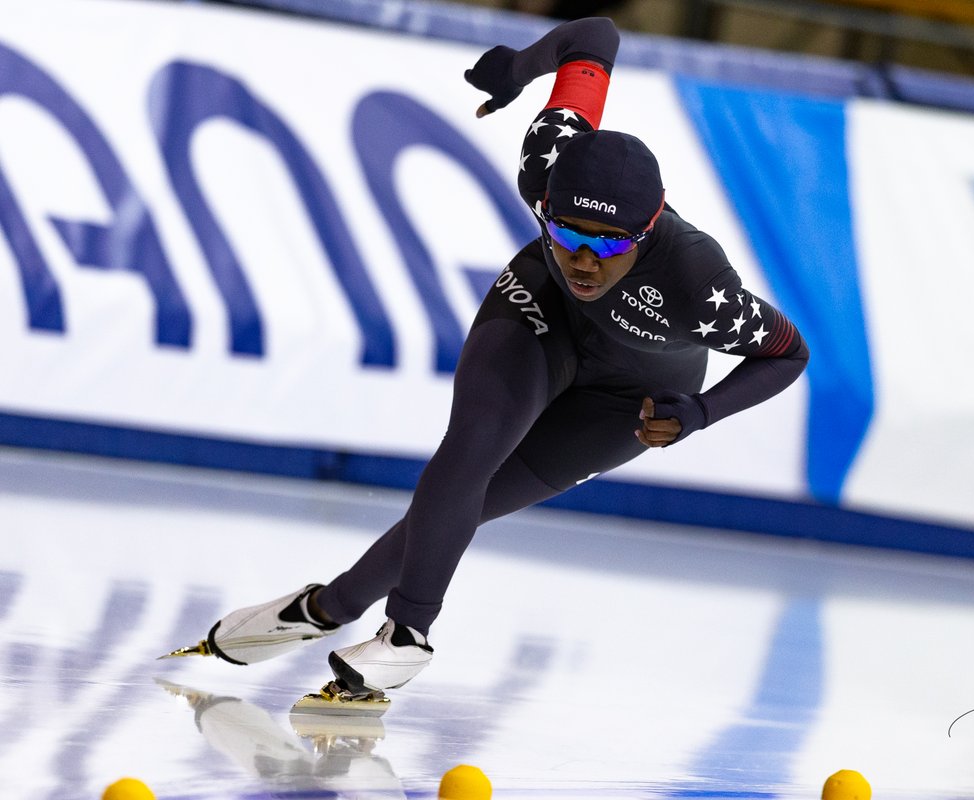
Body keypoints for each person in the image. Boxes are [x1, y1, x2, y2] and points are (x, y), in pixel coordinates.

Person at [179, 16, 809, 702]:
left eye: (608, 244)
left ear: (648, 230)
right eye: (565, 231)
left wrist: (703, 412)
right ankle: (406, 638)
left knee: (475, 502)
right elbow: (596, 35)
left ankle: (328, 607)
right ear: (547, 204)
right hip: (544, 317)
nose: (583, 259)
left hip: (633, 395)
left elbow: (788, 353)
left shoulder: (699, 286)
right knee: (469, 454)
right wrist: (520, 69)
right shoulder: (547, 162)